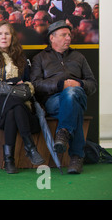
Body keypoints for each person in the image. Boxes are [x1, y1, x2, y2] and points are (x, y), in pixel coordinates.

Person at [0, 21, 44, 174]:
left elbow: (27, 82)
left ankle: (9, 161)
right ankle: (30, 147)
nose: (4, 37)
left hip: (17, 103)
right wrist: (10, 85)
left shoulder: (20, 55)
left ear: (12, 37)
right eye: (0, 33)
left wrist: (13, 86)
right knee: (15, 105)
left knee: (13, 109)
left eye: (7, 33)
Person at [31, 20, 97, 174]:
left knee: (72, 94)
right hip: (53, 101)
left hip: (77, 94)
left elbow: (92, 84)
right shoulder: (40, 58)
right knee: (75, 105)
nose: (68, 38)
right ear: (52, 38)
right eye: (63, 35)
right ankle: (76, 158)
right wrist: (60, 86)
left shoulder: (79, 57)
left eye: (69, 35)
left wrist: (78, 83)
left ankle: (63, 132)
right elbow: (35, 85)